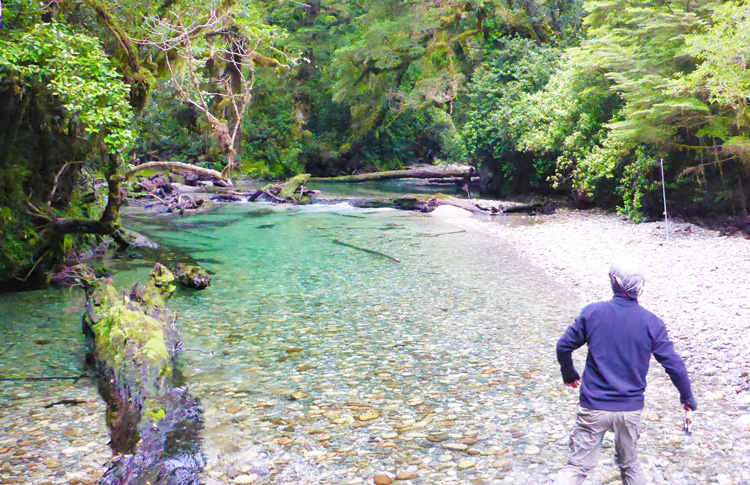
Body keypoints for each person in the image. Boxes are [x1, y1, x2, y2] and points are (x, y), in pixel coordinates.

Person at [554, 258, 697, 485]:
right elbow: (674, 364)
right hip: (630, 410)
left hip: (593, 406)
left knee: (577, 467)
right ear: (640, 286)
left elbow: (563, 346)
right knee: (630, 465)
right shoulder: (652, 323)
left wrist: (569, 373)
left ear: (613, 282)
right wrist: (687, 397)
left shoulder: (593, 313)